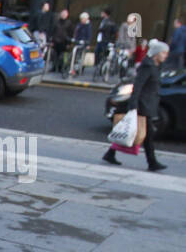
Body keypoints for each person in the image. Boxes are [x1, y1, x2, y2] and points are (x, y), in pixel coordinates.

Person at [103, 39, 169, 172]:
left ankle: (110, 153)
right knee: (146, 134)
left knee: (138, 133)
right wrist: (133, 105)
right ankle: (152, 162)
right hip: (142, 105)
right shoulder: (147, 66)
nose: (166, 55)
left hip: (148, 104)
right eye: (164, 53)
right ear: (156, 53)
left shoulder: (156, 66)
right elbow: (137, 86)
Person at [50, 8, 73, 73]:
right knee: (55, 55)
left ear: (67, 15)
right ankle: (54, 67)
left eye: (65, 14)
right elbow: (53, 31)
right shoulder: (56, 22)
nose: (63, 15)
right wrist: (52, 40)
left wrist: (69, 43)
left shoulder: (69, 23)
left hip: (64, 42)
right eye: (62, 14)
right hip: (56, 41)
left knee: (62, 56)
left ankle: (61, 68)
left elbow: (71, 33)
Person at [69, 12, 91, 76]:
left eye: (83, 19)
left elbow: (89, 35)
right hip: (78, 42)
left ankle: (79, 69)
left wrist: (87, 44)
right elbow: (76, 33)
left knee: (80, 57)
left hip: (83, 43)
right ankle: (73, 69)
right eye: (81, 19)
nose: (82, 20)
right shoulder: (79, 25)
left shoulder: (88, 26)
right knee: (75, 56)